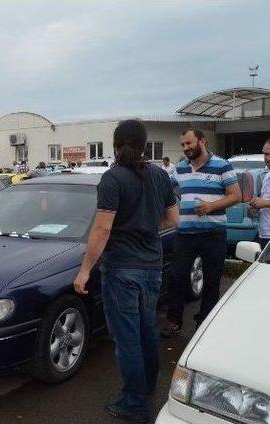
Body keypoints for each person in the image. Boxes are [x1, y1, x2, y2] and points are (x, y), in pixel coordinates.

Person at [73, 119, 178, 423]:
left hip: (122, 271)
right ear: (145, 145)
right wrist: (145, 228)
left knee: (127, 340)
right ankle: (146, 390)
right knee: (146, 333)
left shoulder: (113, 178)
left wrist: (84, 271)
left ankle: (134, 405)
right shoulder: (160, 175)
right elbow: (173, 219)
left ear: (116, 145)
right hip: (152, 269)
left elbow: (103, 228)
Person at [162, 128, 241, 338]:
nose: (186, 148)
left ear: (202, 141)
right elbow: (165, 189)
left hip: (213, 234)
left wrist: (211, 206)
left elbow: (235, 196)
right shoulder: (180, 168)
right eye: (183, 145)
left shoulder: (222, 165)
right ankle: (174, 320)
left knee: (212, 280)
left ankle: (204, 322)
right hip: (185, 234)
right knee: (177, 277)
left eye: (189, 143)